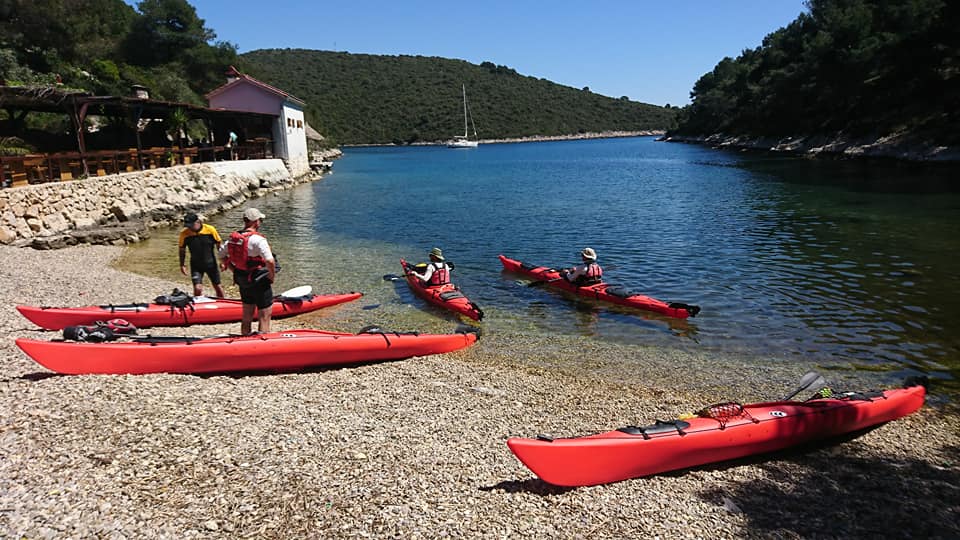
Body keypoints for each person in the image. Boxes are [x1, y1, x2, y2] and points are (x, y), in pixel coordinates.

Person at [219, 208, 276, 335]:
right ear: (256, 222)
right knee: (264, 314)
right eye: (260, 220)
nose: (260, 222)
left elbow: (221, 255)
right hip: (259, 280)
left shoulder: (233, 239)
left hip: (242, 279)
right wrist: (271, 277)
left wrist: (234, 270)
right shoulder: (258, 240)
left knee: (247, 315)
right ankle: (263, 343)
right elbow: (270, 261)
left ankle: (245, 339)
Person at [178, 213, 226, 298]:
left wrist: (222, 261)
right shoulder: (184, 234)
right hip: (196, 265)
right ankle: (197, 305)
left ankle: (223, 304)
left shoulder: (210, 230)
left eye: (191, 225)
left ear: (198, 222)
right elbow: (182, 249)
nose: (189, 228)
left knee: (218, 287)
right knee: (198, 288)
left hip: (211, 264)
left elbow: (219, 244)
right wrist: (182, 264)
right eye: (187, 226)